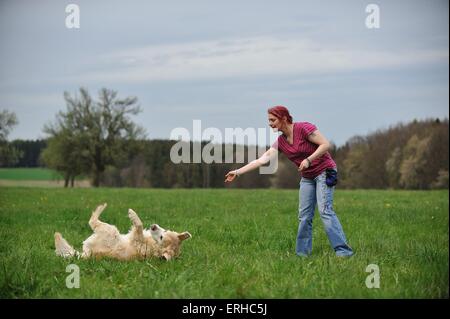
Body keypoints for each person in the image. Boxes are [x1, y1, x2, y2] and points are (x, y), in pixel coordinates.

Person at [225, 106, 353, 257]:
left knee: (325, 211)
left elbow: (325, 144)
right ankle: (302, 254)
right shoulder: (281, 142)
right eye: (269, 121)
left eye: (272, 120)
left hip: (324, 172)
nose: (270, 123)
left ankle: (343, 252)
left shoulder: (304, 128)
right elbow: (262, 160)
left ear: (284, 118)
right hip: (307, 177)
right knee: (304, 216)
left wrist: (308, 160)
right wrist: (238, 172)